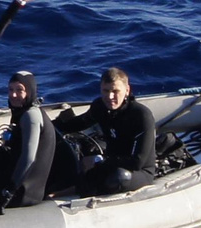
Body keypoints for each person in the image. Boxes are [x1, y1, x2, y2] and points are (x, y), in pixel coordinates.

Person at [54, 66, 157, 196]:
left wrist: (100, 160)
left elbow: (137, 162)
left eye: (115, 91)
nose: (110, 96)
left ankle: (78, 190)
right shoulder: (100, 107)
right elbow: (78, 123)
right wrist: (49, 125)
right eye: (106, 90)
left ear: (127, 91)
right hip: (109, 163)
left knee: (119, 177)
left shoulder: (141, 115)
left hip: (139, 171)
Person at [0, 70, 56, 212]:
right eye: (11, 89)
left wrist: (8, 192)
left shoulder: (30, 116)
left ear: (30, 91)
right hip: (26, 188)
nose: (13, 95)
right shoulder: (24, 112)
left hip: (24, 193)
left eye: (20, 90)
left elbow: (28, 159)